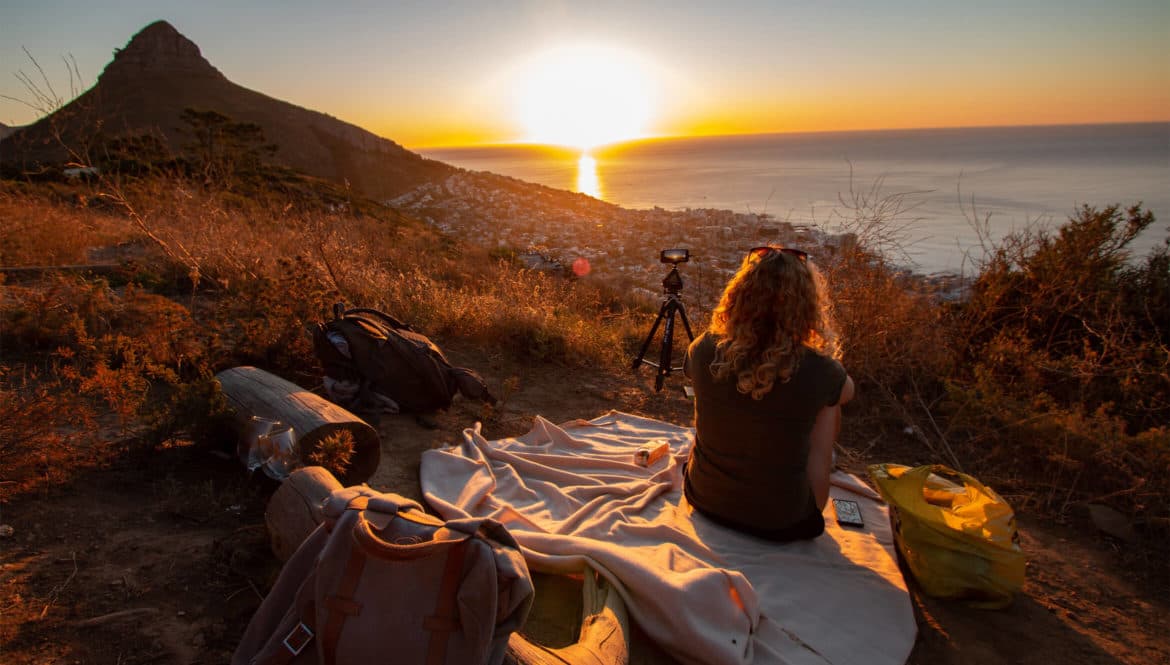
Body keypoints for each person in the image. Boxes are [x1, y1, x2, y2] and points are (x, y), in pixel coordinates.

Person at [683, 245, 854, 542]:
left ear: (740, 295)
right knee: (830, 405)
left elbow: (688, 372)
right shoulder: (821, 370)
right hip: (785, 521)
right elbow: (846, 392)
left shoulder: (703, 348)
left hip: (704, 499)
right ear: (806, 305)